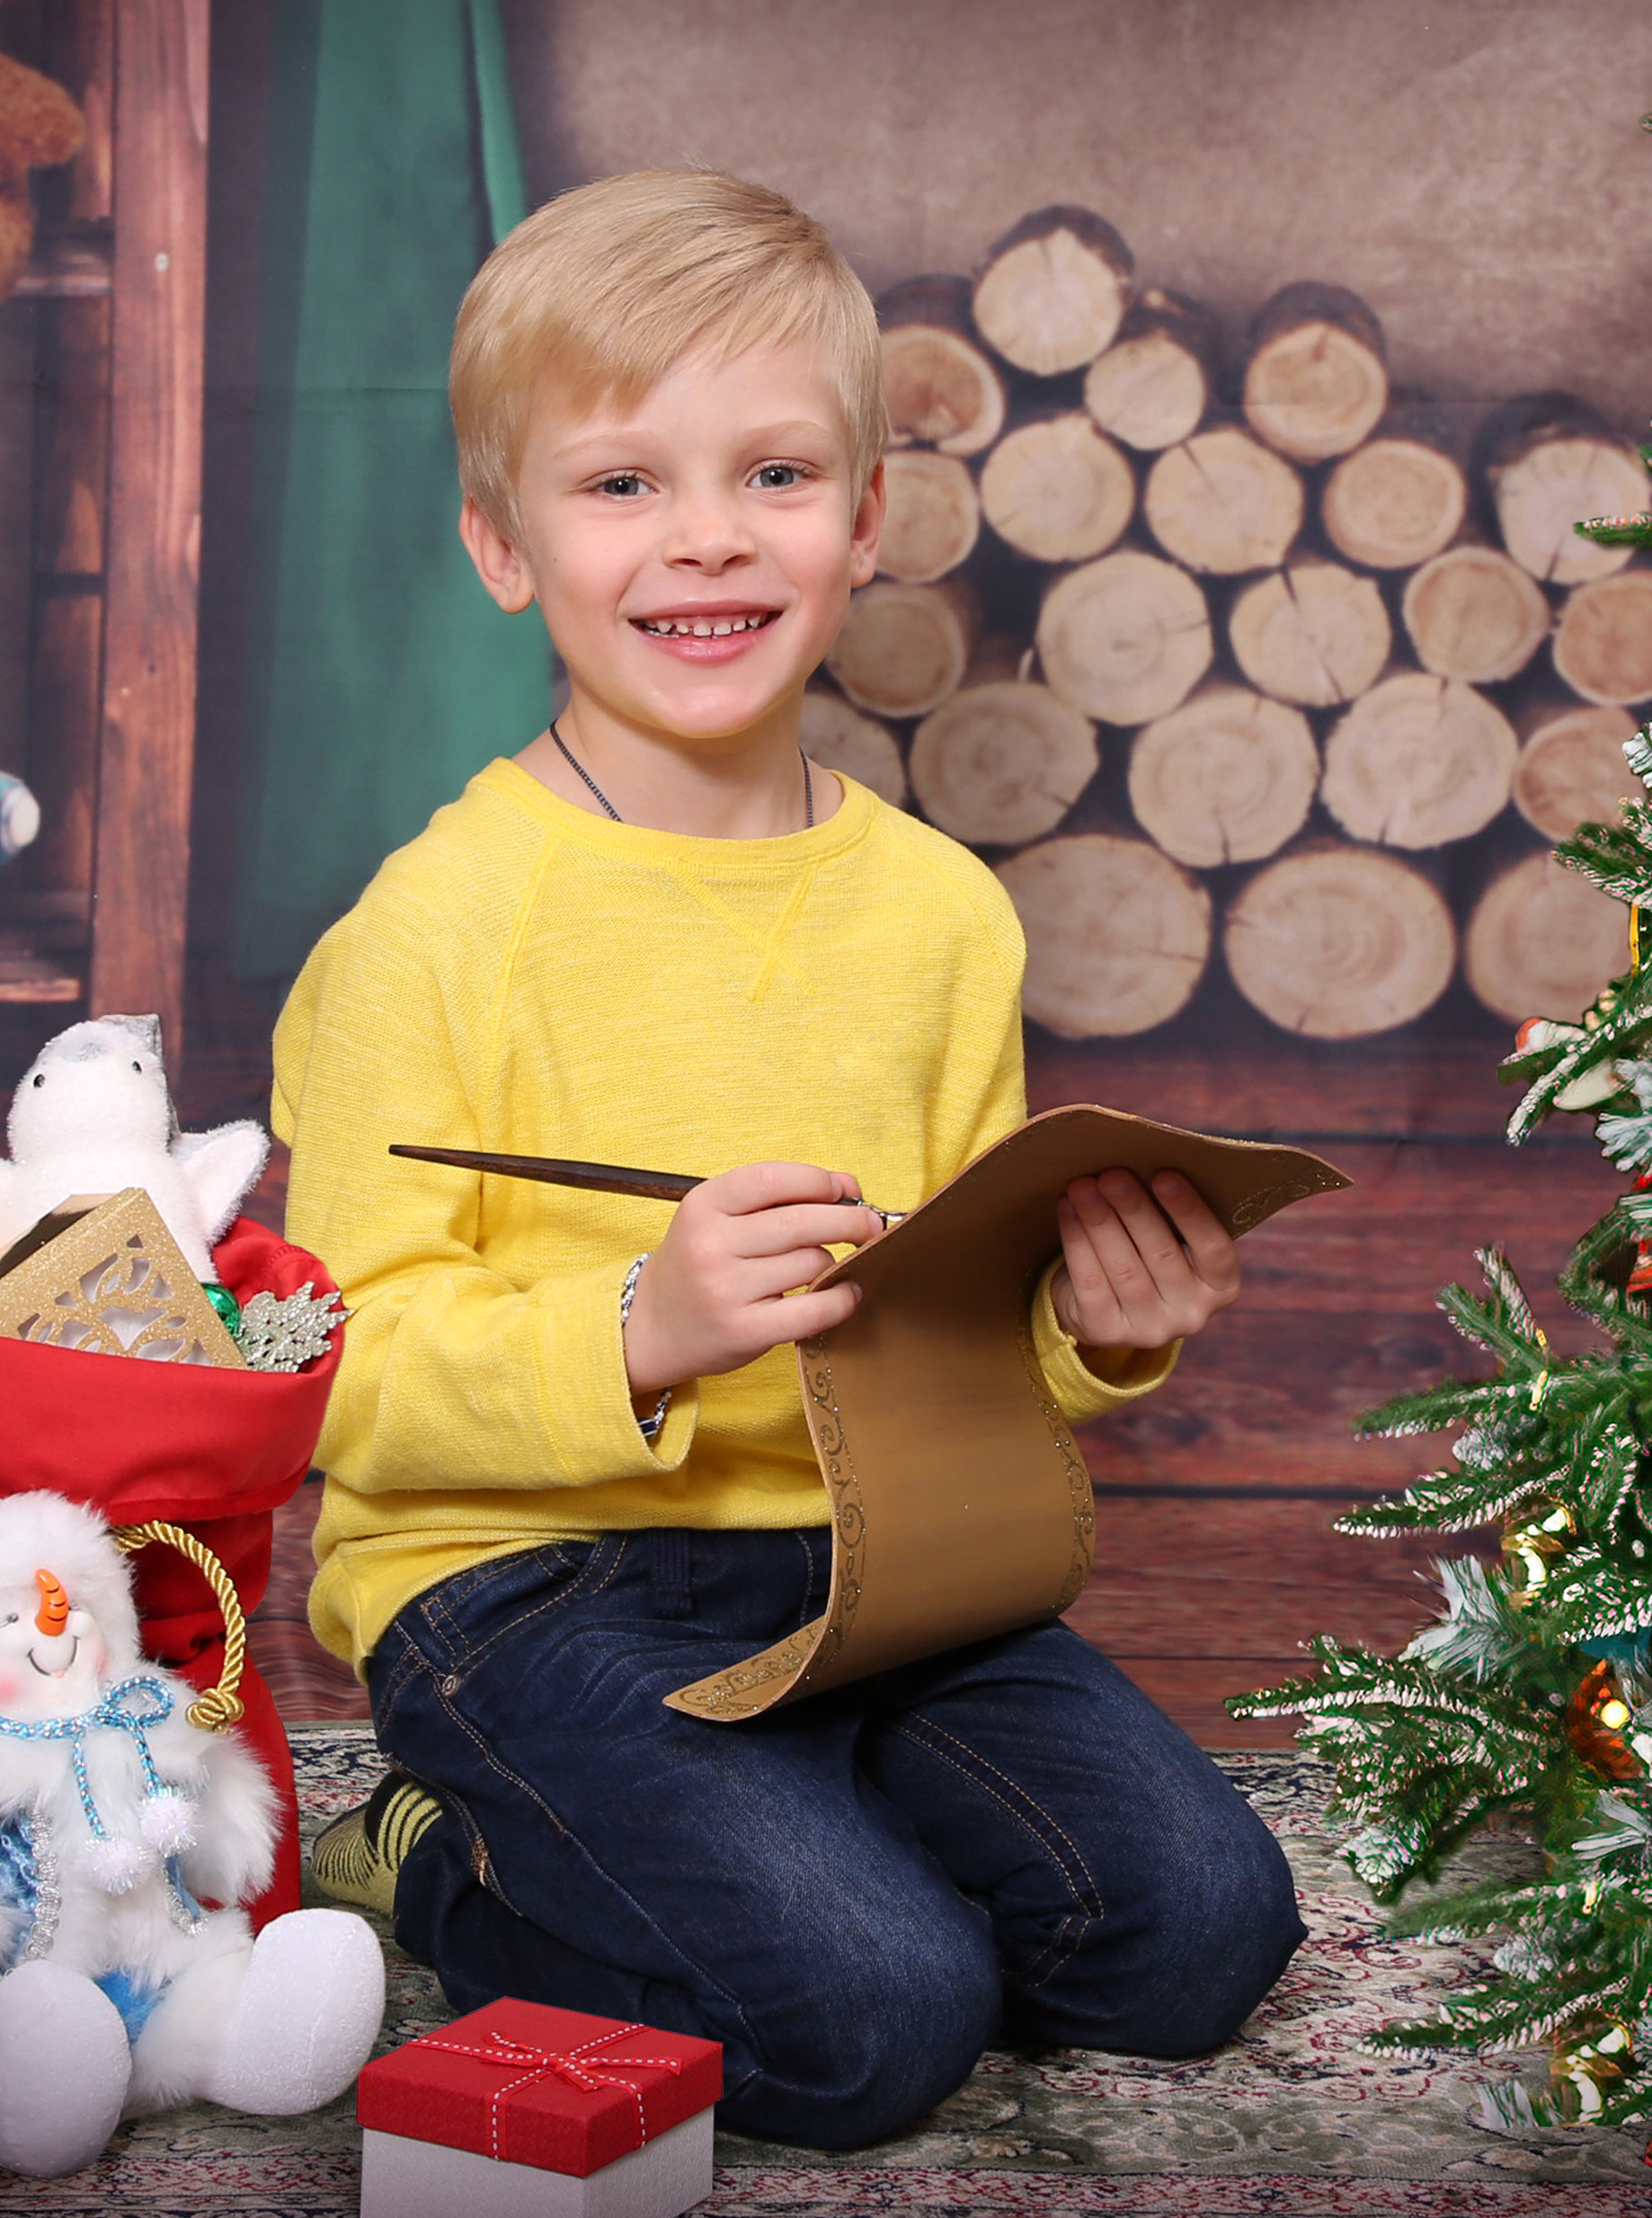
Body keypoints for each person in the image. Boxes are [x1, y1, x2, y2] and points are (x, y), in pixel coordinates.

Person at [279, 169, 1304, 2148]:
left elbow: (945, 1335)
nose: (704, 541)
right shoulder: (425, 929)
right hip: (524, 1587)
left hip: (870, 1567)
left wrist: (1100, 1328)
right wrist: (639, 1330)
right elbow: (345, 1382)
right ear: (502, 545)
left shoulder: (936, 917)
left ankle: (754, 1826)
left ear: (865, 522)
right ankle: (437, 1847)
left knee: (1195, 1936)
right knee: (877, 2013)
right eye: (620, 486)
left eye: (769, 474)